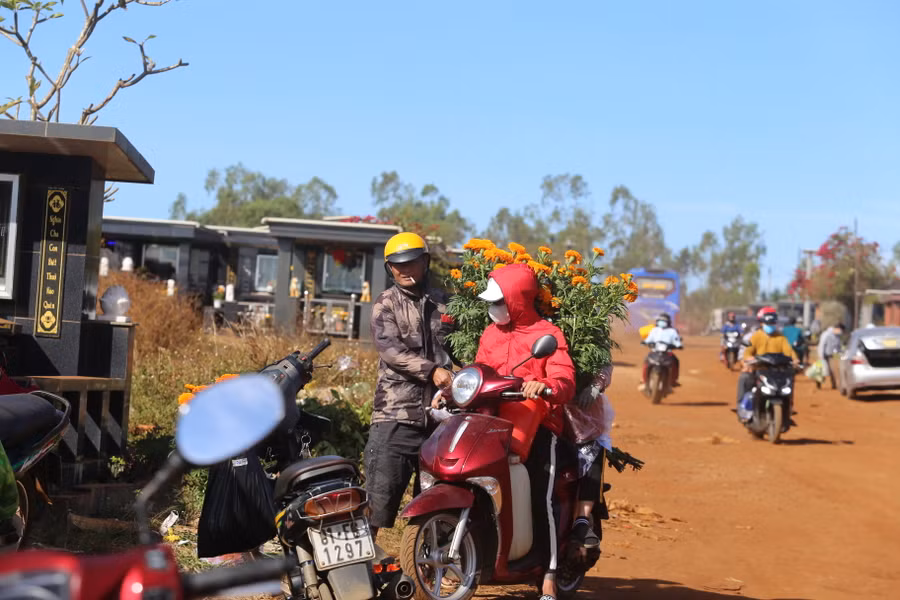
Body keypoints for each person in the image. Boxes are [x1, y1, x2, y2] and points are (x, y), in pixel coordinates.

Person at [473, 263, 575, 600]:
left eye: (498, 301)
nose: (493, 308)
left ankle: (549, 572)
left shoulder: (548, 334)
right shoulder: (490, 334)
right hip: (493, 424)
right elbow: (478, 370)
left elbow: (565, 379)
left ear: (518, 299)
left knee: (539, 497)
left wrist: (544, 385)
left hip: (539, 425)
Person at [367, 232, 456, 540]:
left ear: (425, 262)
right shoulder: (385, 304)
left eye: (410, 263)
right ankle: (358, 574)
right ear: (388, 268)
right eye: (396, 265)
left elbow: (465, 348)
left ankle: (434, 570)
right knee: (377, 501)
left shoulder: (446, 302)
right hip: (396, 415)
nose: (404, 270)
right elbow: (390, 351)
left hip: (441, 418)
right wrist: (432, 371)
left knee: (437, 502)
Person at [736, 309, 798, 407]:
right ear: (761, 323)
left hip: (777, 370)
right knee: (745, 378)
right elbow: (747, 352)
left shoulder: (781, 337)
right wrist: (748, 361)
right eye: (767, 323)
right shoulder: (755, 336)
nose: (770, 326)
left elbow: (789, 351)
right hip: (759, 369)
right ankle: (743, 406)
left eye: (772, 323)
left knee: (790, 379)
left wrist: (795, 360)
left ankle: (788, 404)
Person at [642, 313, 683, 387]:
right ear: (657, 321)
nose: (662, 322)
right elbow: (649, 339)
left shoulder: (672, 331)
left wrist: (679, 345)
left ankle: (674, 380)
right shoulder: (654, 330)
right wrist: (645, 342)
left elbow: (676, 340)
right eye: (661, 320)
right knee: (646, 361)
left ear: (668, 322)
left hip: (667, 352)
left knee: (675, 361)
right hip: (655, 351)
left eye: (664, 321)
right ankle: (644, 379)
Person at [817, 323, 845, 390]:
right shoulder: (826, 334)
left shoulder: (837, 336)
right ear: (837, 329)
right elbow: (821, 345)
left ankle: (834, 385)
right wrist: (821, 356)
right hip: (824, 355)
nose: (841, 332)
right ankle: (818, 382)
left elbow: (839, 346)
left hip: (833, 355)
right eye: (841, 330)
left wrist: (842, 353)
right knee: (823, 370)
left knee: (834, 369)